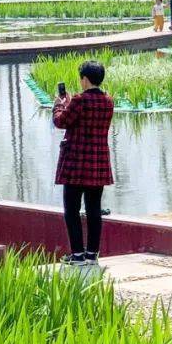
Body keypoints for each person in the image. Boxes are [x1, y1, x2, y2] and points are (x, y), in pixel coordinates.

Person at [53, 59, 114, 267]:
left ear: (85, 79)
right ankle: (91, 255)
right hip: (98, 163)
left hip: (76, 164)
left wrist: (60, 104)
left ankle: (77, 255)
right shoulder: (108, 101)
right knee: (94, 210)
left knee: (71, 210)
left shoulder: (78, 101)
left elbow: (61, 121)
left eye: (81, 78)